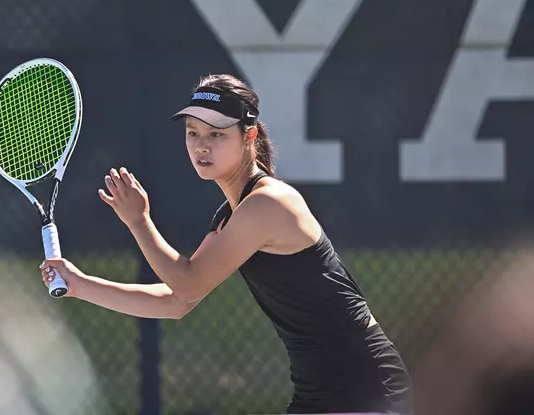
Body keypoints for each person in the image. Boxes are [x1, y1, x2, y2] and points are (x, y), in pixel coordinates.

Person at [40, 74, 412, 414]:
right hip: (320, 393)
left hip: (366, 388)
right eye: (192, 132)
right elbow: (176, 302)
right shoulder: (231, 214)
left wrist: (139, 221)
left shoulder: (268, 204)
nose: (201, 145)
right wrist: (78, 284)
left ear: (249, 136)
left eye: (216, 134)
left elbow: (187, 282)